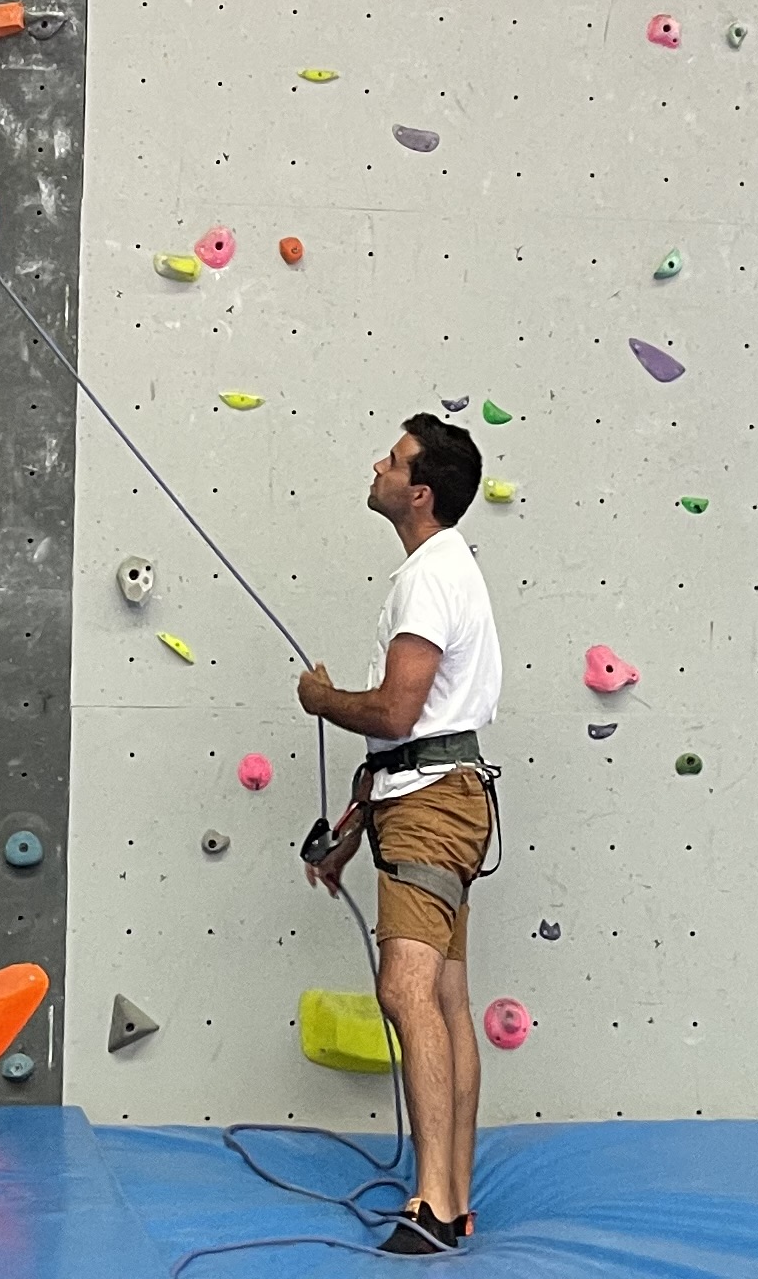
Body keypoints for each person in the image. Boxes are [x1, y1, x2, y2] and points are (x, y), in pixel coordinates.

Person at [296, 415, 502, 1257]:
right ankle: (451, 1197)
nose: (375, 465)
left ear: (418, 492)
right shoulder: (446, 570)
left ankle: (436, 1205)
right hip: (438, 796)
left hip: (430, 804)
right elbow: (412, 738)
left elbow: (393, 713)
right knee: (446, 999)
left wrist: (321, 699)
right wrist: (351, 828)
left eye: (392, 459)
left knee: (405, 994)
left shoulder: (427, 579)